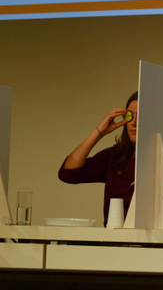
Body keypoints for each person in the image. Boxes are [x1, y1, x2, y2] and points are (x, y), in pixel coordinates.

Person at [58, 91, 138, 226]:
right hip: (116, 237)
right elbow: (68, 174)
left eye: (141, 116)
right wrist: (100, 131)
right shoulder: (116, 156)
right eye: (130, 115)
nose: (134, 122)